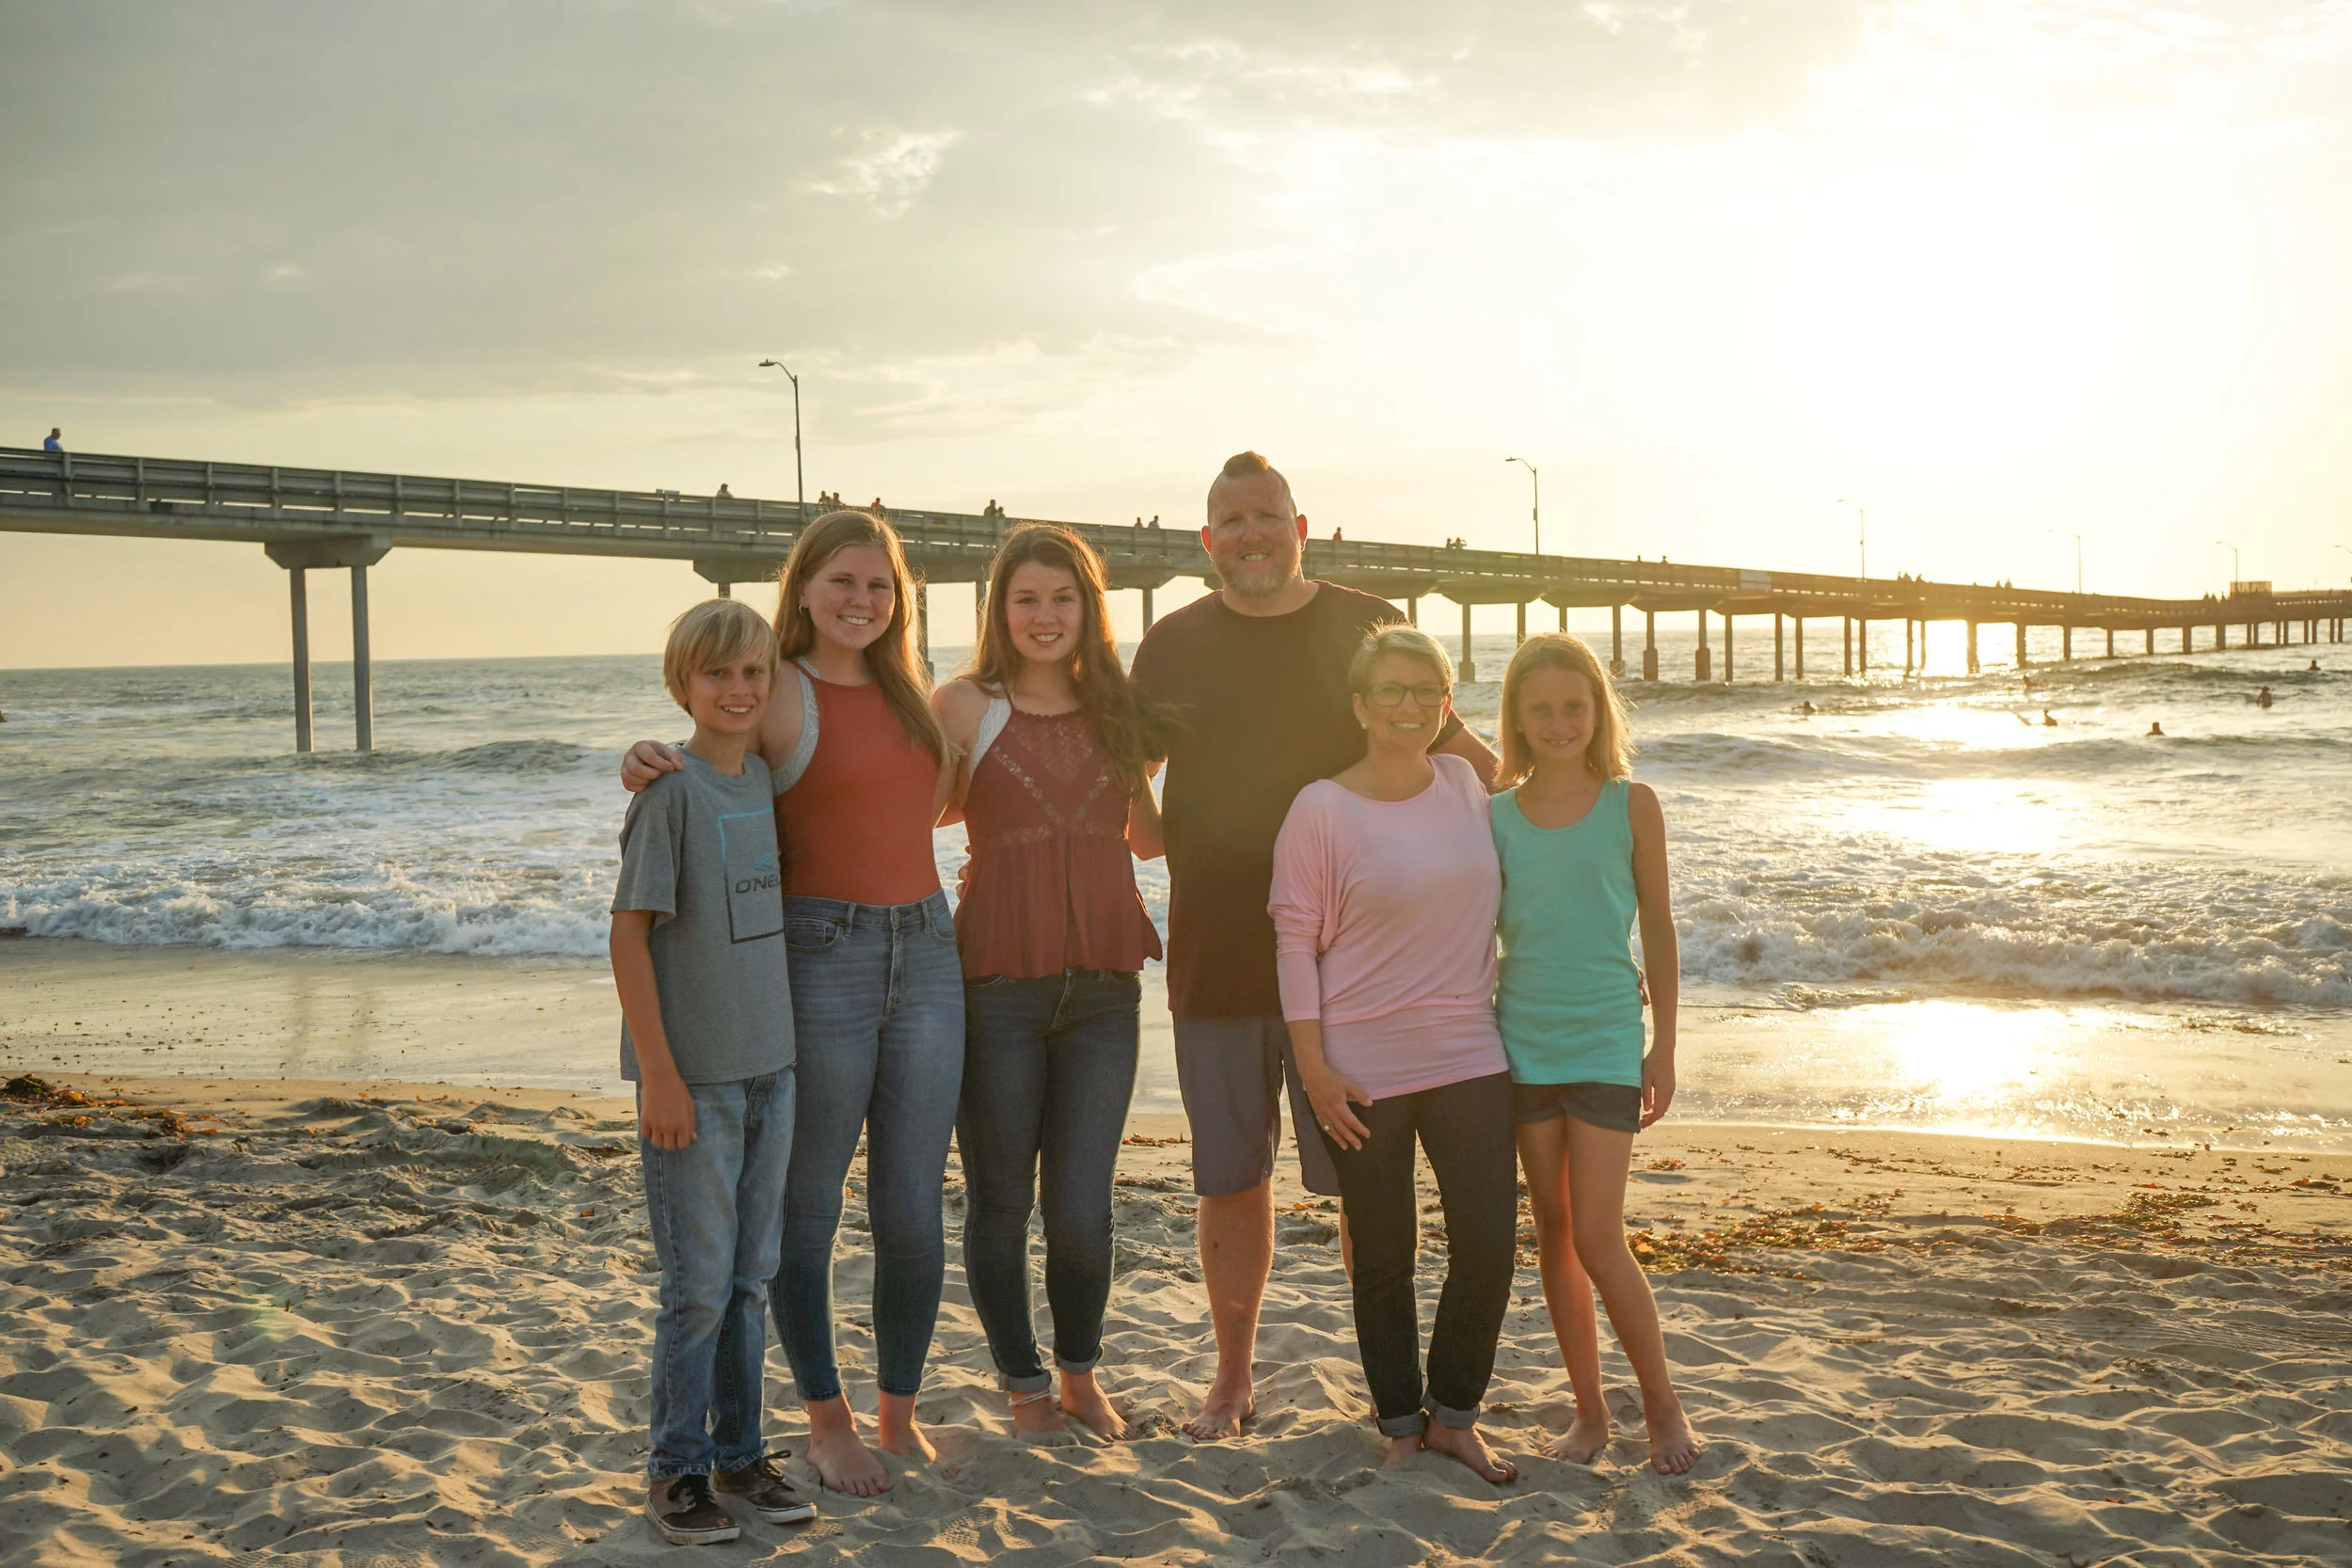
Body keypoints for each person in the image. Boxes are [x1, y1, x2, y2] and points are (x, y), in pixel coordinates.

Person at [1129, 451, 1498, 1441]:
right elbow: (1127, 777)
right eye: (1229, 519)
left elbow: (1454, 750)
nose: (1249, 532)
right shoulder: (1171, 642)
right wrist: (1148, 831)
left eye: (1266, 513)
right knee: (1229, 1179)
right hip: (1217, 956)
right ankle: (1231, 1373)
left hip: (1360, 973)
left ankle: (1383, 1369)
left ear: (1303, 527)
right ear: (1206, 542)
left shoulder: (1364, 622)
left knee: (1364, 1193)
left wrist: (1565, 823)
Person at [622, 510, 961, 1497]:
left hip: (930, 949)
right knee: (804, 1207)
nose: (862, 600)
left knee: (912, 1205)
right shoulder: (779, 692)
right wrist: (644, 757)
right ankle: (826, 1420)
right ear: (802, 586)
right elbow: (705, 761)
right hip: (823, 956)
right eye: (842, 581)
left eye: (881, 584)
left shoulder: (914, 691)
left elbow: (932, 802)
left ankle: (896, 1407)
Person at [933, 524, 1167, 1446]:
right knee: (999, 1200)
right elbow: (906, 810)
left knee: (1081, 1205)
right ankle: (1023, 1385)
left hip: (1106, 990)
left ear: (1088, 609)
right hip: (994, 987)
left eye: (1062, 598)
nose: (1044, 616)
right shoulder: (963, 705)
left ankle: (1079, 1375)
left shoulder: (1118, 706)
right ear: (999, 608)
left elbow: (1149, 837)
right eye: (1025, 598)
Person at [1271, 626, 1519, 1484]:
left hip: (1470, 1048)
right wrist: (1312, 1069)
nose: (1409, 705)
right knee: (1383, 1255)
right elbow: (1294, 944)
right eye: (1392, 690)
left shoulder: (1465, 783)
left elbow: (1555, 824)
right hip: (1358, 1066)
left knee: (1488, 1241)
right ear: (1360, 705)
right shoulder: (1321, 807)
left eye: (1427, 691)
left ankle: (1455, 1415)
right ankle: (1400, 1423)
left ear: (1447, 705)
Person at [610, 598, 816, 1544]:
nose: (737, 690)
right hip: (694, 1082)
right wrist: (658, 1071)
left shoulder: (765, 778)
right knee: (694, 1284)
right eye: (716, 675)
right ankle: (676, 1470)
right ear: (682, 683)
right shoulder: (670, 793)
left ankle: (740, 1453)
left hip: (773, 1070)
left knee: (748, 1278)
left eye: (752, 674)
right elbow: (629, 935)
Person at [1489, 633, 1698, 1475]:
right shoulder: (1496, 815)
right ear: (1516, 718)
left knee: (1601, 1235)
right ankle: (1589, 1414)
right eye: (1539, 708)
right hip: (1523, 1043)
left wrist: (1666, 1047)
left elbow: (1660, 929)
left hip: (1609, 1039)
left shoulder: (1631, 803)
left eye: (1573, 705)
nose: (1558, 722)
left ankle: (1663, 1407)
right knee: (1554, 1232)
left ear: (1598, 710)